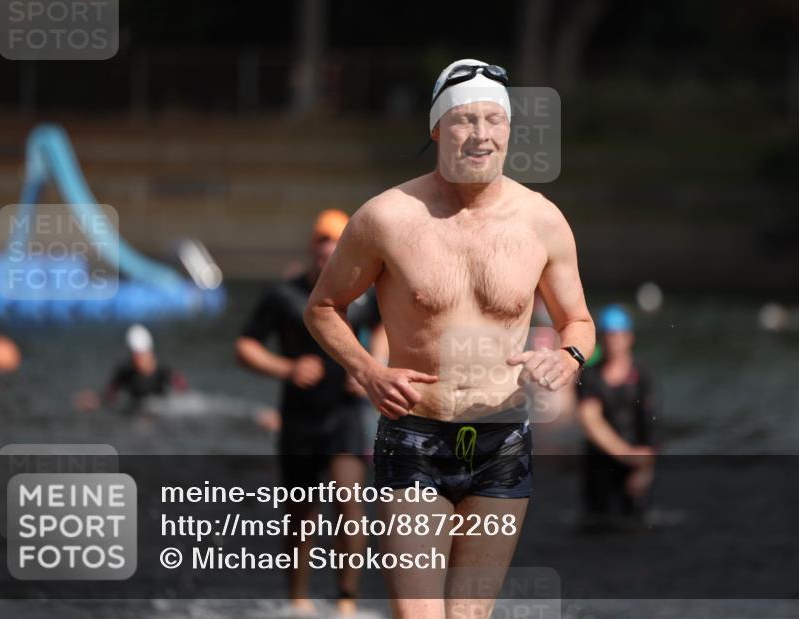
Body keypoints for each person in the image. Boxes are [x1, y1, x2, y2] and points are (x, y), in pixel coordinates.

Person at [304, 59, 595, 619]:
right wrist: (368, 371)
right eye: (464, 120)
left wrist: (569, 357)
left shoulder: (543, 221)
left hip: (501, 441)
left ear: (510, 129)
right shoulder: (386, 217)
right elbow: (322, 309)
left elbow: (577, 321)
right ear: (437, 128)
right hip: (415, 436)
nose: (481, 135)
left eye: (494, 120)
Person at [235, 209, 380, 616]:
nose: (328, 251)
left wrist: (371, 365)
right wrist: (287, 367)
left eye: (336, 243)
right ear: (312, 248)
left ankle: (346, 603)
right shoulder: (284, 296)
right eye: (321, 243)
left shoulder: (365, 294)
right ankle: (298, 600)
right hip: (299, 417)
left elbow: (385, 329)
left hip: (346, 414)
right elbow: (245, 346)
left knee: (350, 504)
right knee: (301, 513)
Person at [577, 304, 658, 523]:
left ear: (629, 337)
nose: (614, 341)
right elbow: (590, 421)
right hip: (601, 463)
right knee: (598, 521)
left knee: (638, 521)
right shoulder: (591, 377)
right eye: (609, 336)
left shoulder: (642, 374)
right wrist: (625, 454)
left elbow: (650, 423)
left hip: (636, 461)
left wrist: (645, 469)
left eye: (619, 336)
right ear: (601, 339)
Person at [74, 324, 188, 411]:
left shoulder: (163, 370)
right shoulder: (125, 371)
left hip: (159, 411)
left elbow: (183, 391)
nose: (140, 361)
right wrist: (94, 400)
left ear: (150, 354)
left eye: (143, 356)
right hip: (136, 412)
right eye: (137, 356)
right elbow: (110, 396)